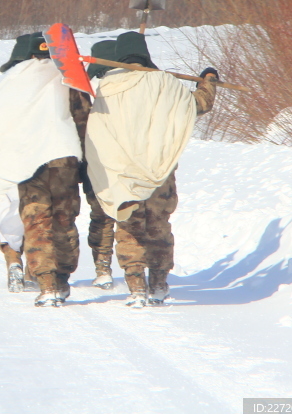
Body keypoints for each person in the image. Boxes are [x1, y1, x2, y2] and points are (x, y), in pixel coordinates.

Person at [84, 31, 218, 307]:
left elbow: (98, 130)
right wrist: (208, 82)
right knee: (158, 226)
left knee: (129, 228)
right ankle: (158, 284)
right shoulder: (165, 83)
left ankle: (136, 288)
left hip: (122, 173)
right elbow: (199, 104)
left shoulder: (108, 89)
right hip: (159, 171)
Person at [0, 32, 89, 307]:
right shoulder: (67, 77)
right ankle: (61, 281)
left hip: (24, 165)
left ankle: (45, 284)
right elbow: (82, 116)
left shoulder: (9, 84)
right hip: (63, 159)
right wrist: (86, 163)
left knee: (36, 224)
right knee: (63, 221)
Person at [81, 40, 117, 290]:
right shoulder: (127, 85)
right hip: (123, 161)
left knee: (100, 216)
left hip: (91, 163)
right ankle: (134, 268)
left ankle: (102, 267)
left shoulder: (82, 87)